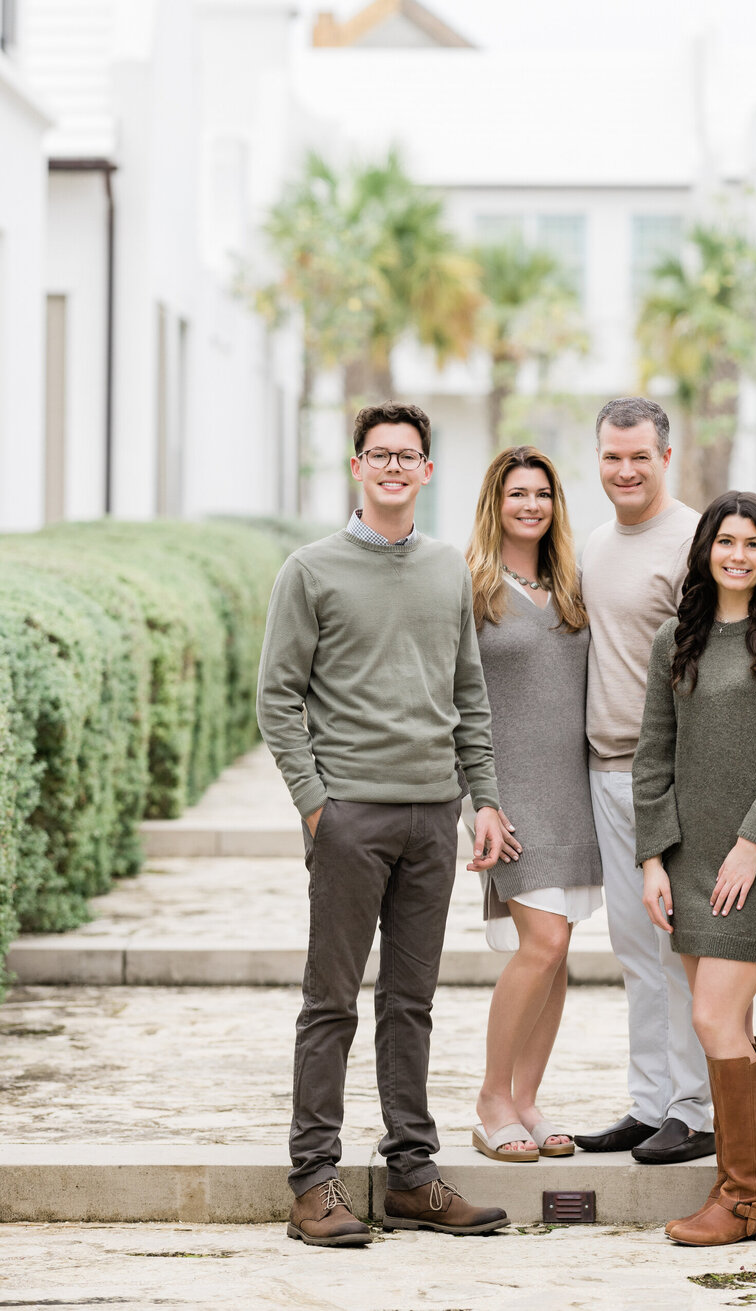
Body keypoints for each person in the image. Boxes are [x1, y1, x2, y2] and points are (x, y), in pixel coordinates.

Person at [257, 401, 516, 1247]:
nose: (394, 467)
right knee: (330, 1001)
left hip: (433, 815)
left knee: (412, 1000)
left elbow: (468, 694)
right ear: (358, 466)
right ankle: (313, 1180)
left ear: (428, 472)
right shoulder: (311, 569)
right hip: (349, 818)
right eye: (380, 454)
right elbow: (278, 697)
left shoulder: (448, 569)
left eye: (409, 456)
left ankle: (411, 1172)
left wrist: (484, 798)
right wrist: (315, 804)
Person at [634, 492, 756, 1247]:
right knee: (729, 1024)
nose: (737, 553)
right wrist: (652, 856)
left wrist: (753, 842)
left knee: (713, 1016)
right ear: (705, 551)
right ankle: (739, 1194)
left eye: (751, 542)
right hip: (685, 858)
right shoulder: (672, 640)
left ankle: (745, 1198)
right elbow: (650, 756)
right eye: (724, 541)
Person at [573, 397, 714, 1165]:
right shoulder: (595, 542)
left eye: (639, 456)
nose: (624, 470)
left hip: (670, 777)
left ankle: (695, 1109)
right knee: (634, 949)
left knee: (677, 947)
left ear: (666, 455)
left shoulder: (697, 539)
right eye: (611, 456)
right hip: (604, 770)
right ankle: (650, 1100)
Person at [464, 444, 602, 1162]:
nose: (531, 505)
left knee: (558, 954)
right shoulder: (470, 587)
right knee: (540, 944)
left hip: (576, 793)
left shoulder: (574, 586)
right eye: (517, 493)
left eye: (542, 493)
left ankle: (527, 1095)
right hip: (509, 797)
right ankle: (492, 1098)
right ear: (497, 502)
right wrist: (478, 801)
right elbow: (456, 702)